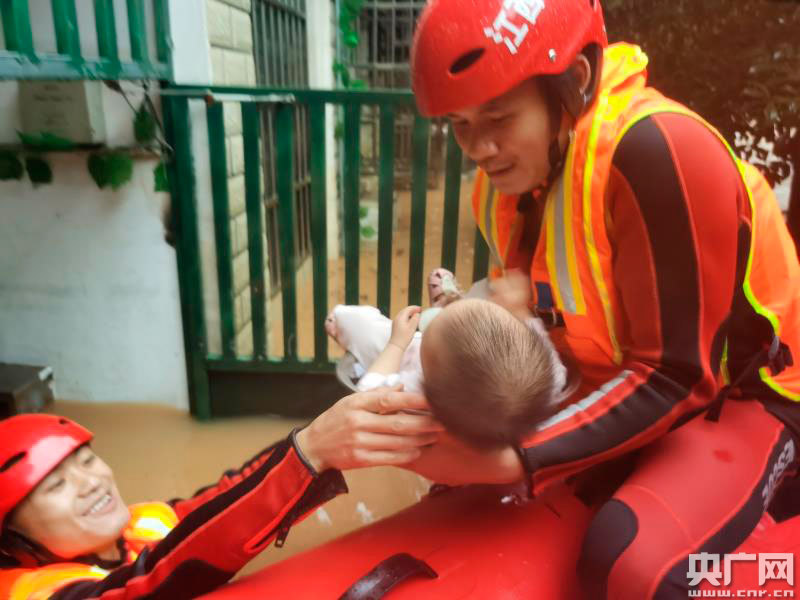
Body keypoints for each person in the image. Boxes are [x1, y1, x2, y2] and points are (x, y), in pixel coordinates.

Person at [407, 0, 800, 598]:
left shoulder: (659, 151)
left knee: (629, 566)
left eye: (498, 117)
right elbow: (545, 336)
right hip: (623, 380)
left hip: (753, 395)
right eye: (460, 124)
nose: (479, 148)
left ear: (575, 80)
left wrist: (517, 456)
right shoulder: (504, 185)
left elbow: (677, 376)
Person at [0, 389, 441, 600]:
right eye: (56, 485)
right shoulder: (35, 594)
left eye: (87, 461)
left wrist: (315, 442)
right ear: (13, 539)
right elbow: (150, 583)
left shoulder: (140, 523)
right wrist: (310, 453)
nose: (91, 482)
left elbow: (222, 500)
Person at [327, 270, 571, 448]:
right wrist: (519, 310)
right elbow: (541, 350)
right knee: (483, 294)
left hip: (406, 351)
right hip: (447, 349)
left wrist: (397, 343)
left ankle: (447, 306)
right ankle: (450, 304)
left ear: (427, 382)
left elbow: (367, 392)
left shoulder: (416, 393)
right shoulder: (549, 380)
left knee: (350, 321)